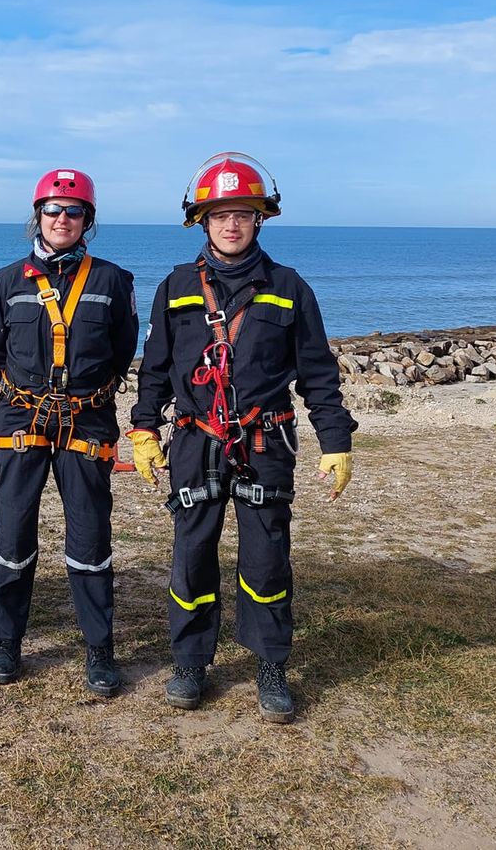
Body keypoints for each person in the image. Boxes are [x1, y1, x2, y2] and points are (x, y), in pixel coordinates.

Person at [128, 152, 355, 723]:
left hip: (266, 444)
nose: (232, 225)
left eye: (244, 214)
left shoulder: (289, 287)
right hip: (193, 440)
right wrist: (143, 429)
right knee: (192, 556)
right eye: (221, 214)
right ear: (202, 221)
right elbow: (154, 369)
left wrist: (335, 440)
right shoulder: (176, 287)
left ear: (260, 220)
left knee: (267, 557)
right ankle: (190, 662)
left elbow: (318, 373)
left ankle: (272, 664)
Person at [0, 169, 138, 696]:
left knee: (91, 537)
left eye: (73, 211)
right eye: (53, 210)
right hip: (21, 421)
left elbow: (121, 350)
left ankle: (99, 648)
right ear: (37, 216)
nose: (62, 219)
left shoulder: (114, 280)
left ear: (87, 220)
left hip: (87, 420)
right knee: (12, 536)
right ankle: (6, 641)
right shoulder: (5, 281)